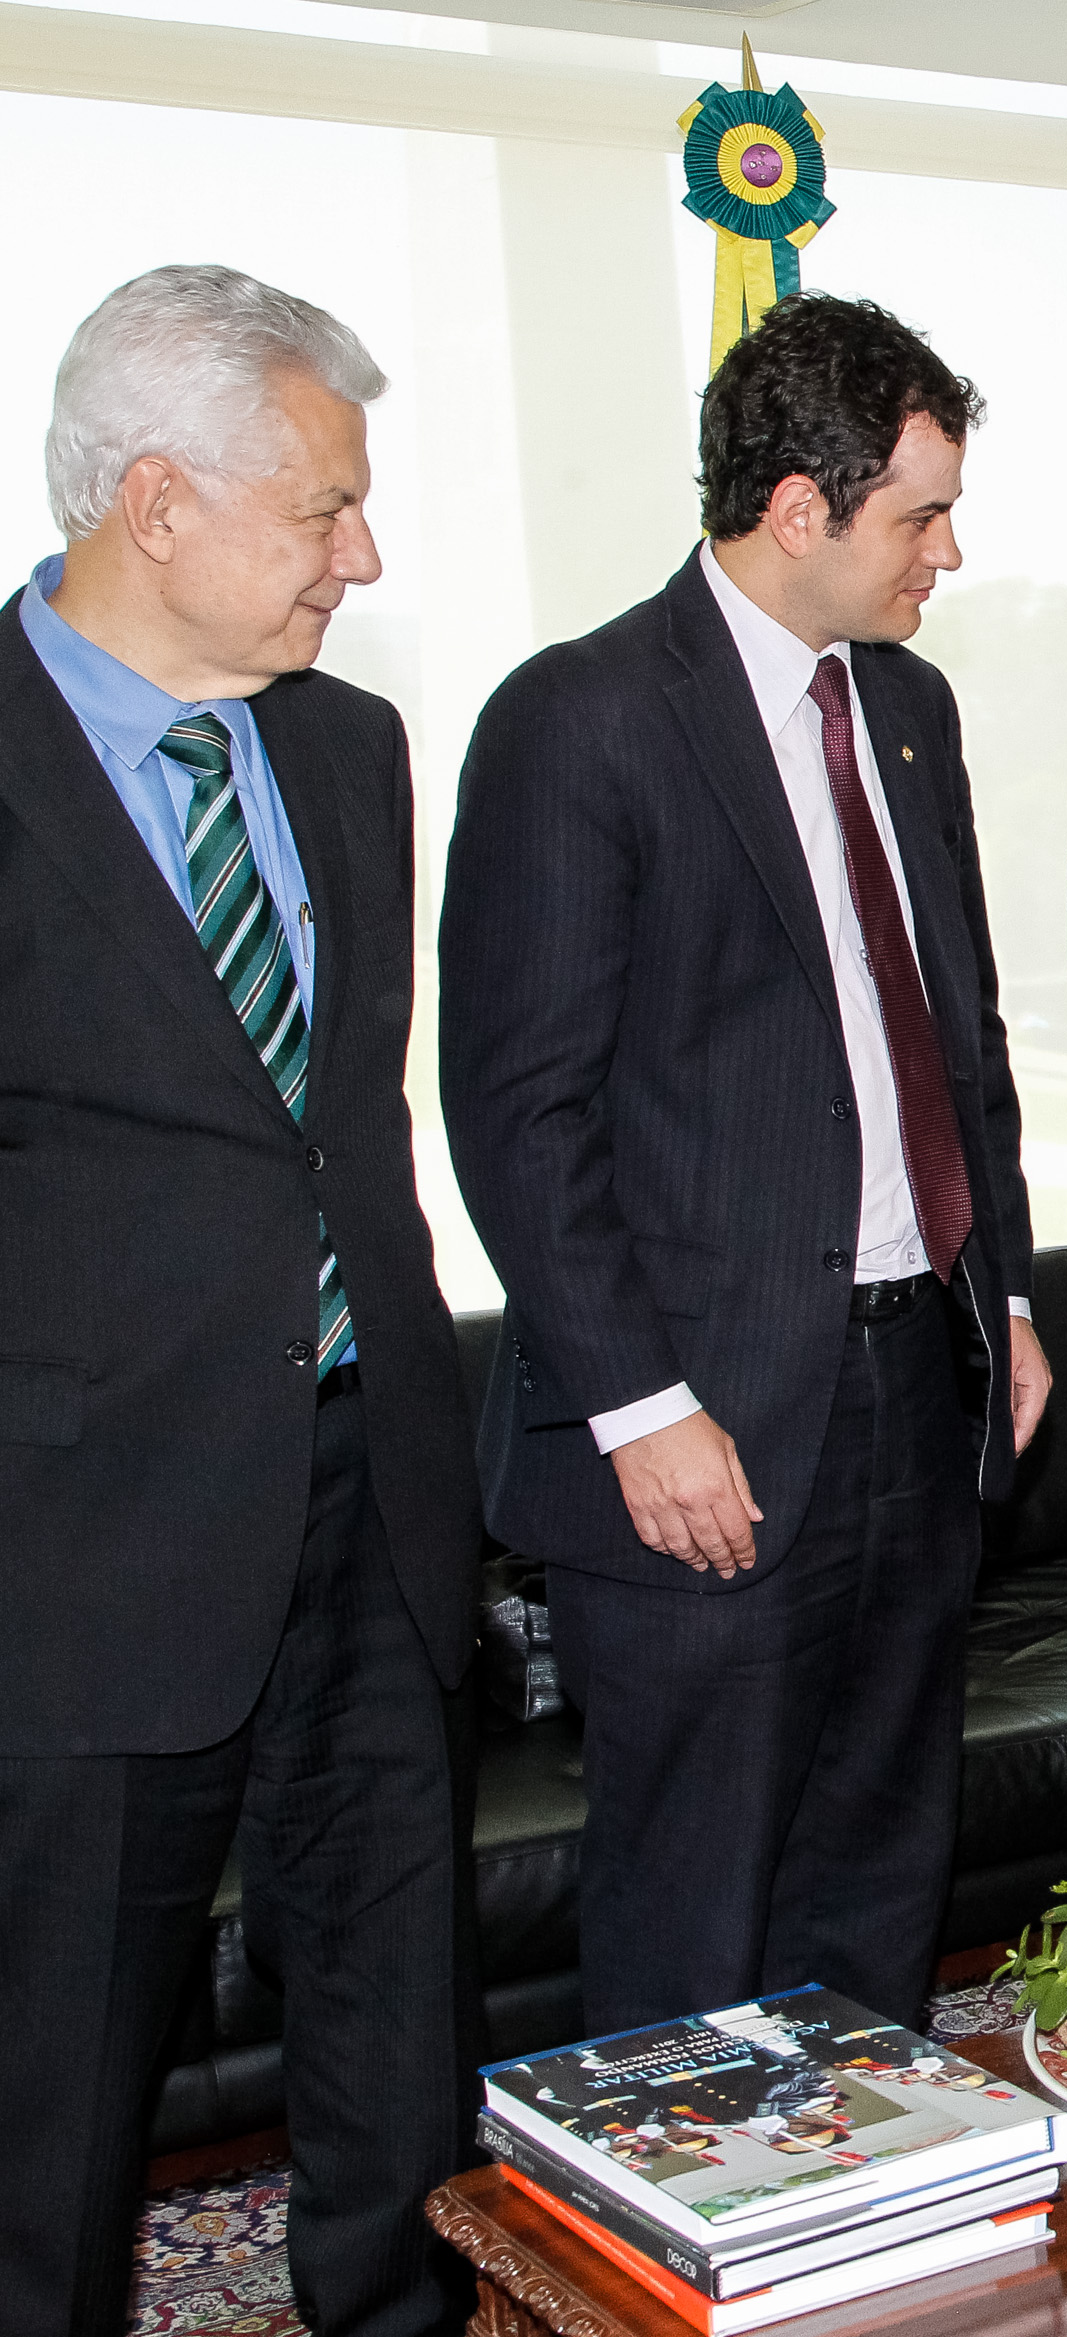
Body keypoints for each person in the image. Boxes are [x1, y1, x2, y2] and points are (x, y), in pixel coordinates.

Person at [441, 294, 1047, 2037]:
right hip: (706, 1417)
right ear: (800, 508)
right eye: (921, 512)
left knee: (878, 1861)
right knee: (696, 1902)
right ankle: (664, 2278)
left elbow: (967, 1046)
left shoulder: (908, 711)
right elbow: (519, 1107)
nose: (950, 548)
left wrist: (996, 1295)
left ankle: (848, 2222)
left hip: (913, 1386)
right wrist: (639, 1405)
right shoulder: (586, 718)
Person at [0, 265, 480, 2337]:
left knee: (392, 2009)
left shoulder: (351, 751)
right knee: (52, 2074)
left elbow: (343, 1127)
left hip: (368, 1482)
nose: (360, 558)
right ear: (160, 501)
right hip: (83, 1530)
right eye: (324, 510)